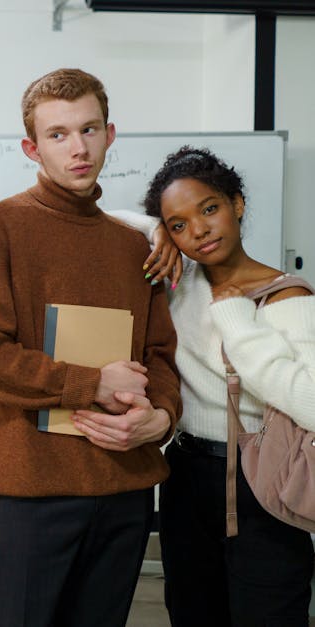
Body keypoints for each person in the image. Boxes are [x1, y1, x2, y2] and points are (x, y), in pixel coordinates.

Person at [0, 68, 182, 626]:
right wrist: (93, 383)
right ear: (32, 147)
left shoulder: (136, 246)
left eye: (89, 129)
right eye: (58, 135)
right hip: (30, 495)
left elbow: (159, 356)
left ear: (110, 134)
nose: (78, 148)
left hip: (124, 489)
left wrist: (161, 418)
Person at [127, 146, 315, 626]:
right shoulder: (180, 281)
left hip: (261, 479)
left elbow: (310, 402)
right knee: (191, 611)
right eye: (179, 224)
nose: (199, 231)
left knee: (266, 613)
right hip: (186, 472)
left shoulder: (287, 294)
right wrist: (154, 231)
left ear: (238, 204)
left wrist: (238, 322)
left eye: (209, 209)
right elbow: (99, 212)